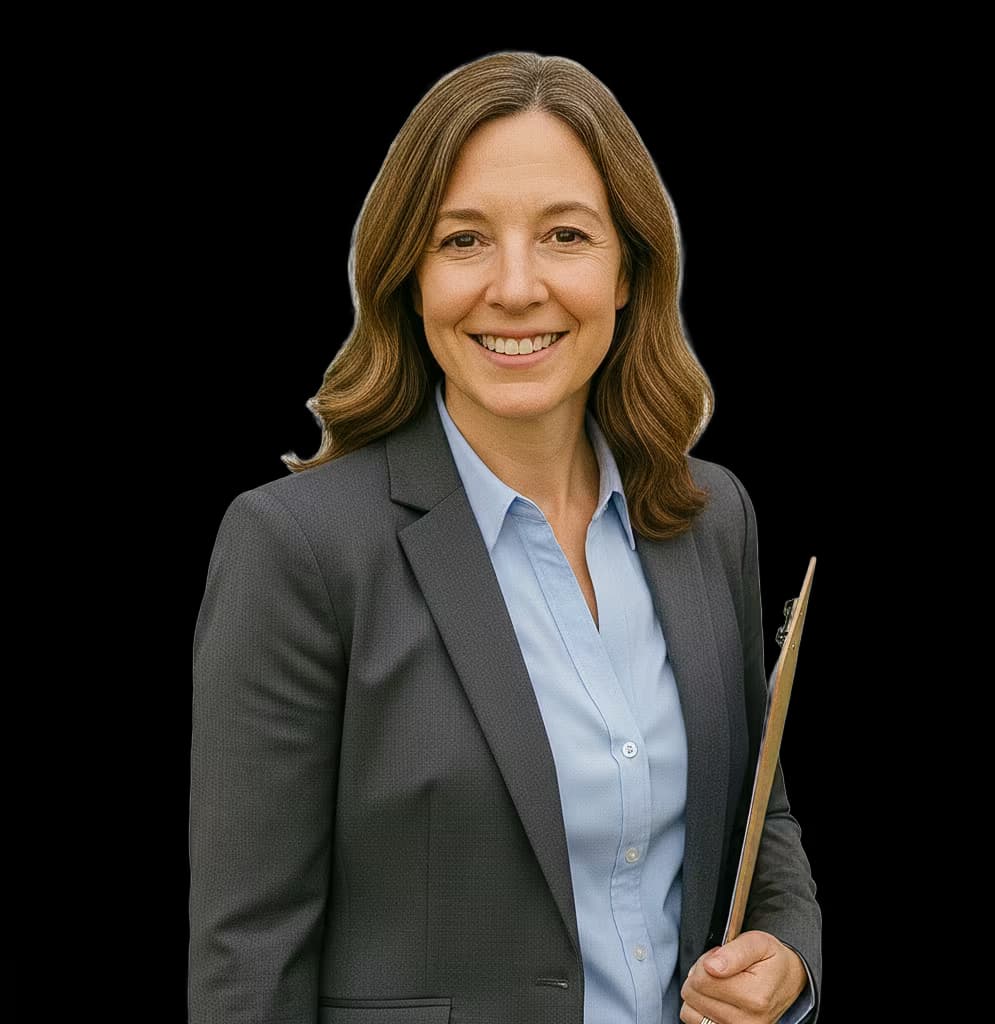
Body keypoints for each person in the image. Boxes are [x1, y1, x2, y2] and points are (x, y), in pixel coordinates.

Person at [189, 50, 822, 1024]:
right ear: (408, 275)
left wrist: (785, 958)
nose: (516, 286)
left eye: (565, 234)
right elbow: (248, 962)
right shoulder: (298, 550)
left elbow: (754, 817)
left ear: (627, 271)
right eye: (464, 240)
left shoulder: (708, 516)